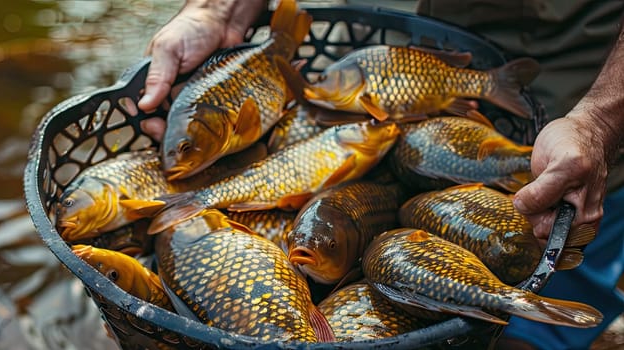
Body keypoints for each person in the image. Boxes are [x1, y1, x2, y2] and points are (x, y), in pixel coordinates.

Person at [136, 1, 624, 349]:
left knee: (561, 223)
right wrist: (218, 10)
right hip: (395, 56)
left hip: (576, 62)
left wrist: (600, 120)